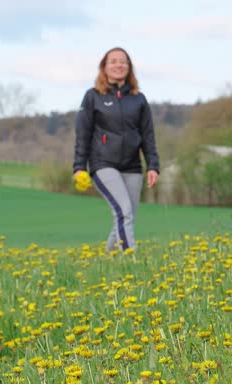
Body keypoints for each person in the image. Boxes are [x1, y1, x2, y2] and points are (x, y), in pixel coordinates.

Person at [73, 46, 159, 252]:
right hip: (103, 163)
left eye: (123, 61)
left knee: (126, 215)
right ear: (104, 67)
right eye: (113, 61)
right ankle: (131, 259)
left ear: (129, 67)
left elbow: (148, 135)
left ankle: (108, 260)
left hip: (132, 166)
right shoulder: (93, 96)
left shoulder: (139, 99)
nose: (118, 65)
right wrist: (79, 167)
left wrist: (153, 166)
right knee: (124, 212)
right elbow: (82, 134)